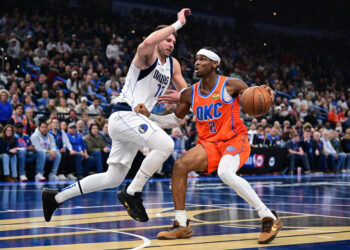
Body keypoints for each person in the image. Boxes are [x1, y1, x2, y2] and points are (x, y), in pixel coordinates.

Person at [42, 8, 190, 224]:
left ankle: (55, 197)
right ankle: (133, 192)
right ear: (158, 40)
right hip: (124, 114)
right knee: (166, 145)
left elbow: (186, 93)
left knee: (113, 178)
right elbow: (146, 44)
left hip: (135, 121)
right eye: (167, 39)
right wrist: (177, 24)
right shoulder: (147, 55)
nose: (170, 44)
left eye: (173, 42)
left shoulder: (173, 64)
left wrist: (182, 96)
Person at [134, 47, 282, 244]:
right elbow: (174, 121)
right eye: (196, 59)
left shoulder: (231, 85)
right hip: (209, 144)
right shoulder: (189, 93)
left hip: (234, 139)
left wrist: (265, 92)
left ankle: (268, 217)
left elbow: (252, 95)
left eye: (203, 59)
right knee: (179, 166)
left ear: (215, 64)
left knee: (225, 173)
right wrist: (149, 116)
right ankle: (181, 224)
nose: (197, 62)